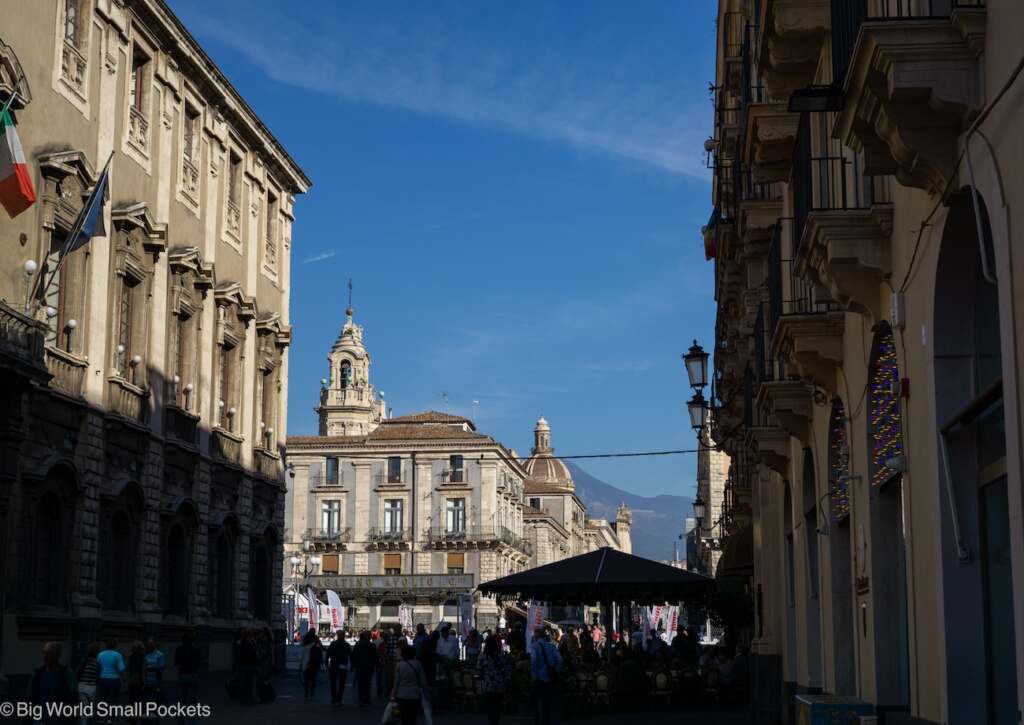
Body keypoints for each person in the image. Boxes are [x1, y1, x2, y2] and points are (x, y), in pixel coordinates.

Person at [28, 642, 76, 724]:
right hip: (40, 719)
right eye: (44, 653)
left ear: (57, 655)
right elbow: (30, 696)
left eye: (49, 653)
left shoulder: (67, 673)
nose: (45, 656)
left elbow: (74, 697)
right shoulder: (37, 674)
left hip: (59, 719)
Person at [530, 628, 562, 725]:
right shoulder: (552, 646)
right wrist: (555, 669)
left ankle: (537, 721)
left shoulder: (535, 646)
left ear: (537, 636)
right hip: (549, 678)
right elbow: (560, 660)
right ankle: (545, 721)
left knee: (536, 703)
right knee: (546, 704)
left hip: (538, 679)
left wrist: (534, 675)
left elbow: (534, 661)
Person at [477, 633, 510, 725]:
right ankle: (496, 722)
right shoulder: (500, 655)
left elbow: (479, 670)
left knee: (490, 707)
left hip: (487, 685)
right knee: (497, 706)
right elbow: (506, 668)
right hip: (498, 684)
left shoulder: (482, 656)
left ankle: (491, 721)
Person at [390, 644, 426, 725]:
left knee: (403, 718)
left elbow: (396, 682)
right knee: (413, 718)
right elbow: (423, 681)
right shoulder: (417, 664)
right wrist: (426, 693)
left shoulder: (399, 665)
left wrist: (393, 695)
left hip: (401, 695)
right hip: (414, 695)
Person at [174, 631, 202, 725]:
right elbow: (200, 664)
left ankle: (181, 720)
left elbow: (176, 663)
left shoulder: (179, 649)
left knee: (182, 699)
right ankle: (192, 722)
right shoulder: (196, 650)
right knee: (192, 700)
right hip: (193, 675)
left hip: (182, 675)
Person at [96, 639, 125, 723]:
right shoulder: (118, 655)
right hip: (114, 679)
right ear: (115, 646)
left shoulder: (100, 654)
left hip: (103, 679)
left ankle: (101, 718)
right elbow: (121, 669)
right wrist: (123, 677)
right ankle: (110, 718)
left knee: (102, 699)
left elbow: (97, 667)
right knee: (112, 700)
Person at [141, 639, 166, 723]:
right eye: (148, 645)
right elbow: (144, 668)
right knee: (147, 700)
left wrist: (148, 668)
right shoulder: (146, 655)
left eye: (151, 645)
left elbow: (161, 668)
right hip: (147, 680)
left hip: (156, 681)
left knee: (156, 700)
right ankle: (149, 718)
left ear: (154, 645)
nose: (149, 646)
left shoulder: (160, 655)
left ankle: (156, 718)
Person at [351, 630, 379, 706]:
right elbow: (375, 657)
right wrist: (377, 666)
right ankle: (366, 698)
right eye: (370, 635)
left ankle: (361, 697)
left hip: (359, 666)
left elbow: (354, 655)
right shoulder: (371, 645)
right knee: (367, 683)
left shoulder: (357, 644)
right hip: (369, 667)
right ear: (368, 636)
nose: (371, 636)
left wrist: (352, 665)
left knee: (360, 682)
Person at [326, 629, 352, 705]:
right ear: (344, 636)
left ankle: (334, 698)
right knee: (342, 683)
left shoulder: (333, 644)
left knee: (333, 683)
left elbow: (328, 654)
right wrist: (352, 666)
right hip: (343, 666)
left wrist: (326, 663)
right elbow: (351, 656)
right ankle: (339, 699)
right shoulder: (347, 645)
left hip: (333, 665)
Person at [77, 642, 101, 725]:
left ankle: (83, 722)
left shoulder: (84, 661)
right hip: (92, 687)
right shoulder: (97, 663)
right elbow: (98, 676)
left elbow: (79, 672)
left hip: (82, 685)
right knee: (91, 708)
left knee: (84, 707)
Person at [236, 629, 259, 702]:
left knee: (249, 682)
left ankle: (248, 696)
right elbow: (246, 653)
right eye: (250, 633)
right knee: (245, 681)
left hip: (249, 664)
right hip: (246, 664)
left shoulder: (251, 641)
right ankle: (244, 697)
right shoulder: (244, 642)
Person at [299, 631, 323, 700]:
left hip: (306, 665)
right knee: (313, 679)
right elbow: (319, 653)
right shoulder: (316, 645)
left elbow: (301, 656)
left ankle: (306, 692)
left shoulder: (304, 646)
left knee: (306, 679)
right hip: (314, 664)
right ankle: (312, 692)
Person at [126, 641, 145, 724]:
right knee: (137, 699)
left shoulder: (130, 656)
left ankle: (130, 716)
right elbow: (141, 670)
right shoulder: (141, 657)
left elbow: (129, 668)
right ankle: (136, 716)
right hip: (138, 678)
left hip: (131, 678)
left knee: (131, 699)